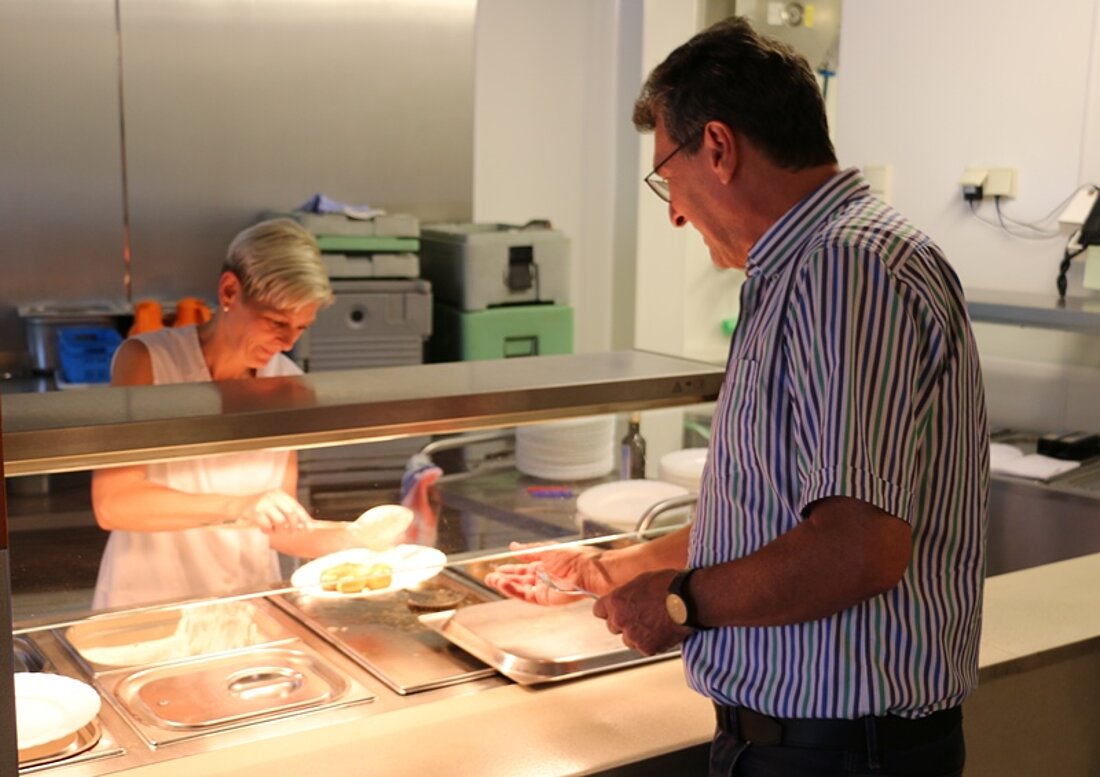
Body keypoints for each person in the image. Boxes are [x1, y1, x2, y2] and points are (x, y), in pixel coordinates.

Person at [486, 17, 988, 777]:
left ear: (716, 148)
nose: (675, 211)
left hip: (839, 749)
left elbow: (856, 549)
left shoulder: (846, 268)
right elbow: (780, 513)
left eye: (667, 177)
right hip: (798, 740)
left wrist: (681, 601)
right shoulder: (802, 272)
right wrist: (613, 569)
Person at [91, 218, 337, 609]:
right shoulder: (147, 361)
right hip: (150, 608)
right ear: (229, 291)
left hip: (248, 604)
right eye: (276, 322)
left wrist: (354, 541)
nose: (288, 341)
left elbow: (278, 531)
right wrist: (239, 505)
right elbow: (113, 503)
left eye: (301, 327)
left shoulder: (289, 383)